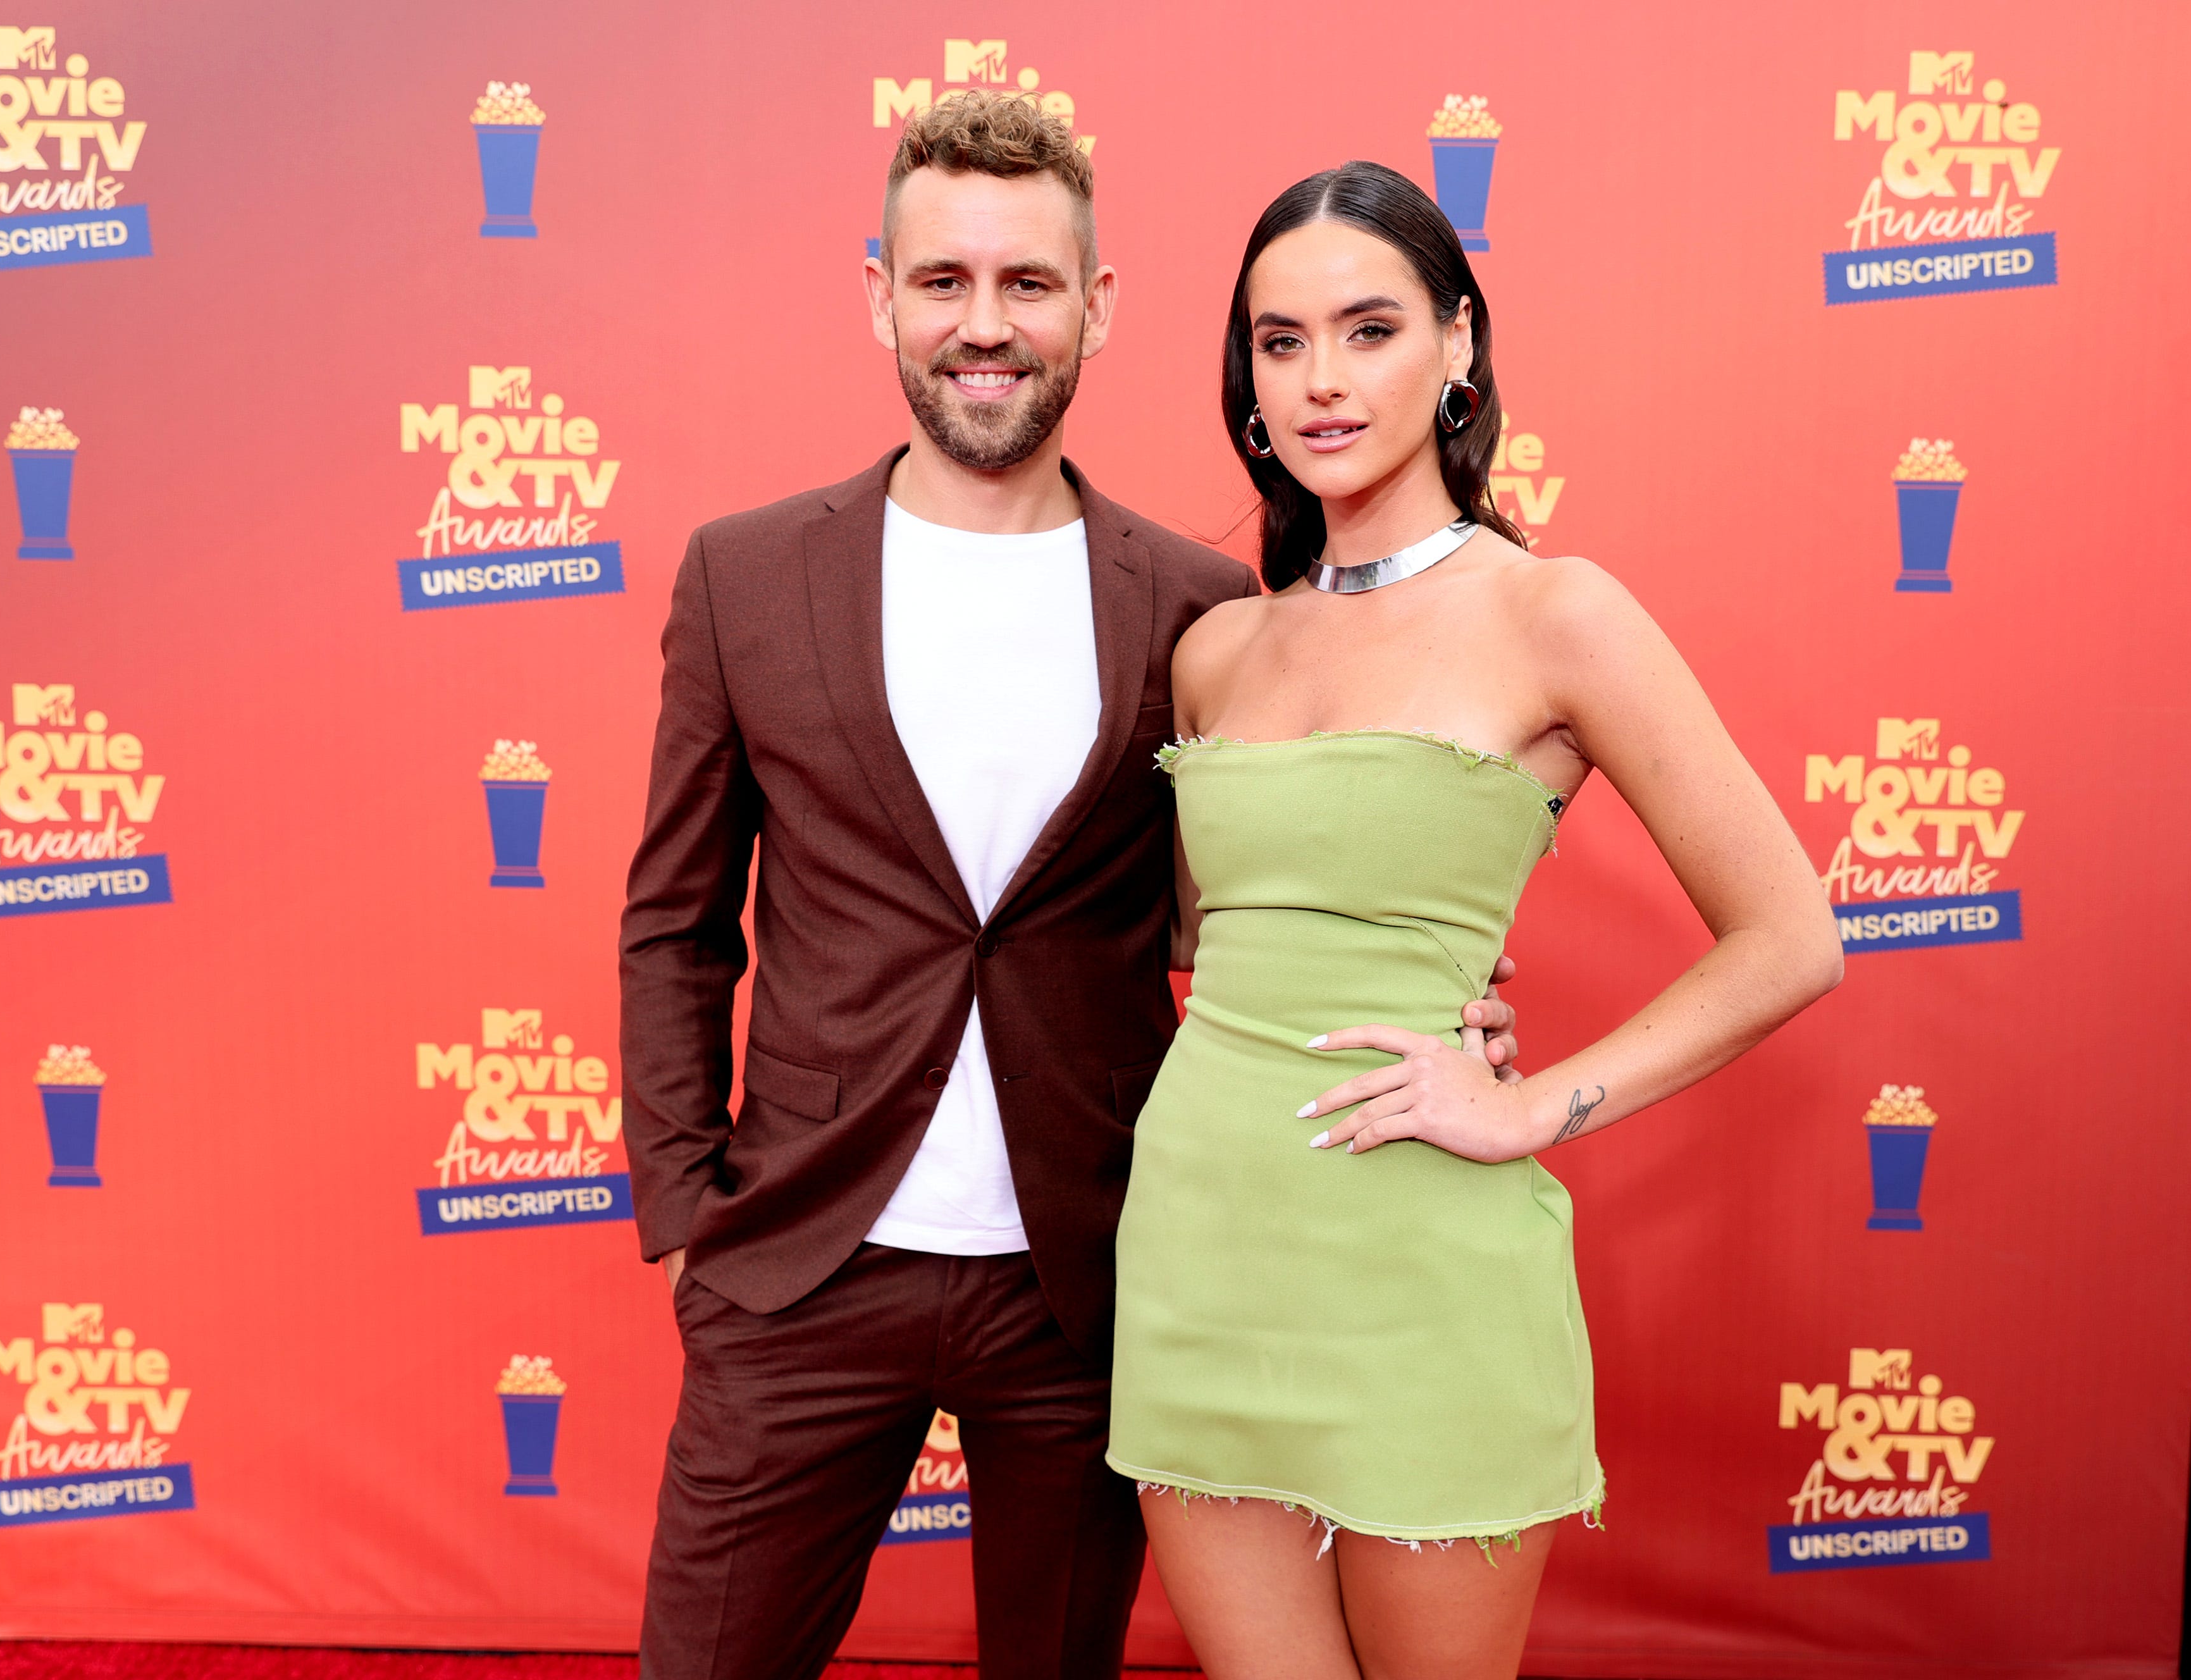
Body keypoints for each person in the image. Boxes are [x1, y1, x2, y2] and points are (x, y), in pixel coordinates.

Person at [617, 101, 1525, 1680]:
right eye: (944, 280)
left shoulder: (1202, 604)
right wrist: (689, 1212)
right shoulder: (743, 576)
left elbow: (1239, 902)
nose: (986, 325)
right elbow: (674, 919)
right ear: (879, 294)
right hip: (804, 1262)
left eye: (1030, 284)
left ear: (1097, 307)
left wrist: (1419, 1003)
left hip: (1099, 1269)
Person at [1105, 161, 1846, 1680]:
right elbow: (1208, 931)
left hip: (1424, 1260)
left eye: (1368, 329)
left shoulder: (1554, 612)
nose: (1320, 380)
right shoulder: (1219, 648)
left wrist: (1525, 1105)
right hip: (1198, 1249)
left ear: (1458, 341)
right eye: (1279, 339)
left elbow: (1792, 933)